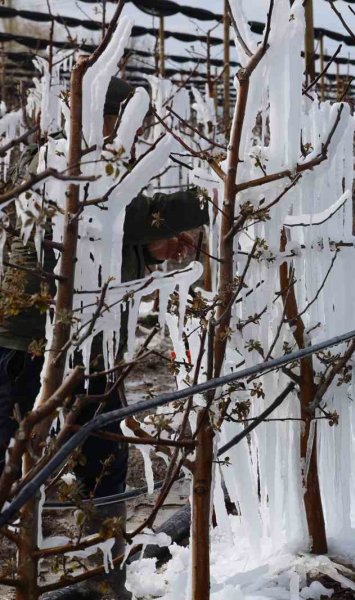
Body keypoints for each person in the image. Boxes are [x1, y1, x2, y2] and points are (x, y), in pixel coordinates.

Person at [0, 77, 208, 595]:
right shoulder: (54, 158)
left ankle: (100, 570)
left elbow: (107, 242)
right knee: (9, 455)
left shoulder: (104, 167)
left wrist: (150, 251)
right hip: (29, 343)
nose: (132, 135)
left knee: (105, 455)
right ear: (99, 115)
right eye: (125, 121)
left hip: (90, 345)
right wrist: (218, 187)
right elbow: (118, 214)